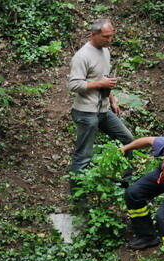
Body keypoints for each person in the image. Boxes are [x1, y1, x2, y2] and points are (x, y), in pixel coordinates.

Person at [68, 18, 134, 178]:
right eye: (105, 37)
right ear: (93, 34)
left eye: (111, 36)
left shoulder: (105, 51)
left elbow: (104, 79)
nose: (109, 40)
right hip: (86, 112)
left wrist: (112, 99)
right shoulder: (82, 56)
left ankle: (125, 182)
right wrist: (99, 83)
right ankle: (79, 198)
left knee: (128, 140)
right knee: (83, 155)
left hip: (103, 110)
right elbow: (74, 85)